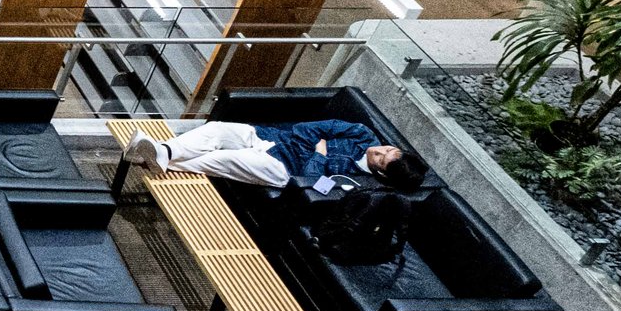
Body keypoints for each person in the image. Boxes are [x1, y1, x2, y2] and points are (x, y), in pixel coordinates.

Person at [124, 119, 426, 193]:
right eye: (388, 148)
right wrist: (314, 155)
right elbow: (308, 128)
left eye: (382, 158)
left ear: (382, 174)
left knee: (225, 161)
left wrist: (318, 158)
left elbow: (313, 184)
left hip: (282, 169)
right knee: (216, 130)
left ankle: (157, 153)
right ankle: (162, 152)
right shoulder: (362, 134)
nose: (378, 150)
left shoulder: (358, 184)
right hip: (271, 138)